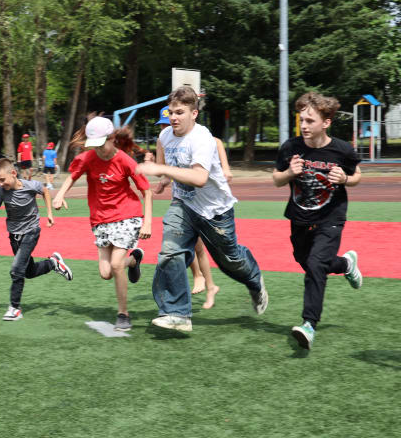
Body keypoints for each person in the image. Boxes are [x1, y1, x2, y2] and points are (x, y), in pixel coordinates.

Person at [136, 87, 268, 332]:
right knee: (170, 253)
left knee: (231, 261)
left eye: (180, 112)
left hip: (215, 211)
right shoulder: (164, 137)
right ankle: (177, 314)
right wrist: (163, 178)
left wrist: (158, 170)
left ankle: (254, 281)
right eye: (171, 112)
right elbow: (165, 165)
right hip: (184, 206)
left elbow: (198, 178)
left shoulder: (202, 138)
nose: (174, 118)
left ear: (194, 113)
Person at [272, 92, 363, 350]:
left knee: (314, 263)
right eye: (302, 120)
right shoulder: (291, 147)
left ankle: (308, 324)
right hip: (300, 218)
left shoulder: (342, 150)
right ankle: (345, 263)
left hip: (330, 218)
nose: (304, 126)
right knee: (307, 261)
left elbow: (356, 175)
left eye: (310, 121)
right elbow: (276, 179)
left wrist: (345, 180)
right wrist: (289, 172)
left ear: (326, 122)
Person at [53, 117, 152, 330]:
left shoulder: (125, 160)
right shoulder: (88, 158)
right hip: (100, 220)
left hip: (127, 215)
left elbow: (146, 190)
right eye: (94, 145)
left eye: (101, 144)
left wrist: (148, 222)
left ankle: (123, 314)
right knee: (106, 272)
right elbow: (72, 176)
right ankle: (134, 260)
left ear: (112, 139)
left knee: (116, 265)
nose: (98, 150)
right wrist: (60, 195)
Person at [153, 107, 222, 309]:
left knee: (197, 246)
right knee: (189, 245)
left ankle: (206, 282)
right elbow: (168, 169)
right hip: (182, 200)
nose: (168, 126)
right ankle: (204, 282)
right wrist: (164, 180)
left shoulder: (197, 138)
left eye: (170, 121)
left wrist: (225, 169)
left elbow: (194, 169)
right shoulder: (165, 139)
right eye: (164, 124)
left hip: (201, 202)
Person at [0, 158, 71, 321]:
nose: (1, 184)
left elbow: (45, 190)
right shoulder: (1, 191)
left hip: (32, 231)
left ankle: (14, 308)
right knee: (29, 272)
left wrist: (49, 214)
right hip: (14, 236)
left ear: (13, 173)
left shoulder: (31, 186)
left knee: (16, 270)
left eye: (2, 180)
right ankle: (53, 263)